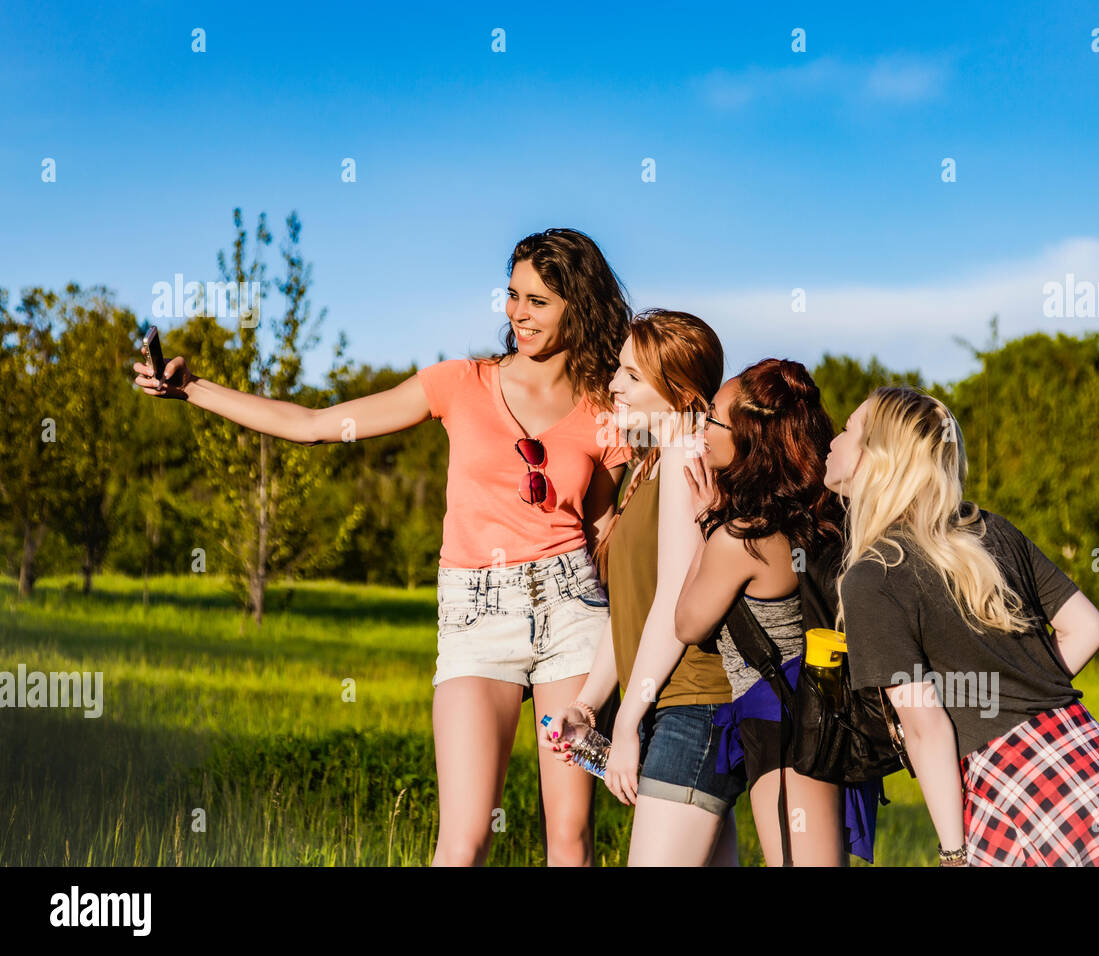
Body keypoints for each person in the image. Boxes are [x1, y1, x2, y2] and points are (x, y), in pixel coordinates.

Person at [133, 227, 635, 866]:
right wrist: (192, 388)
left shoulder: (603, 411)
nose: (516, 314)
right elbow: (315, 426)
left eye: (537, 301)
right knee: (463, 842)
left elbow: (602, 537)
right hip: (477, 615)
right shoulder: (460, 383)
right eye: (512, 296)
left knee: (569, 839)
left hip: (572, 613)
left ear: (578, 305)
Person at [826, 385, 1099, 866]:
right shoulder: (989, 529)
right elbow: (1089, 628)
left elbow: (925, 728)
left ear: (876, 458)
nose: (833, 440)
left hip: (1022, 793)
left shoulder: (874, 576)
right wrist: (1024, 690)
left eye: (846, 430)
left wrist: (953, 855)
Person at [546, 309, 748, 866]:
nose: (614, 385)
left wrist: (629, 721)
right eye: (618, 370)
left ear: (678, 389)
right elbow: (629, 612)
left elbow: (673, 606)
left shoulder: (686, 455)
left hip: (693, 705)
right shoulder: (653, 463)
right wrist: (587, 706)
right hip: (672, 705)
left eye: (632, 376)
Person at [674, 359, 879, 866]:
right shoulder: (829, 521)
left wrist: (705, 523)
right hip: (829, 708)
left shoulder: (739, 539)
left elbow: (687, 623)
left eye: (714, 418)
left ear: (750, 439)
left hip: (780, 722)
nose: (702, 427)